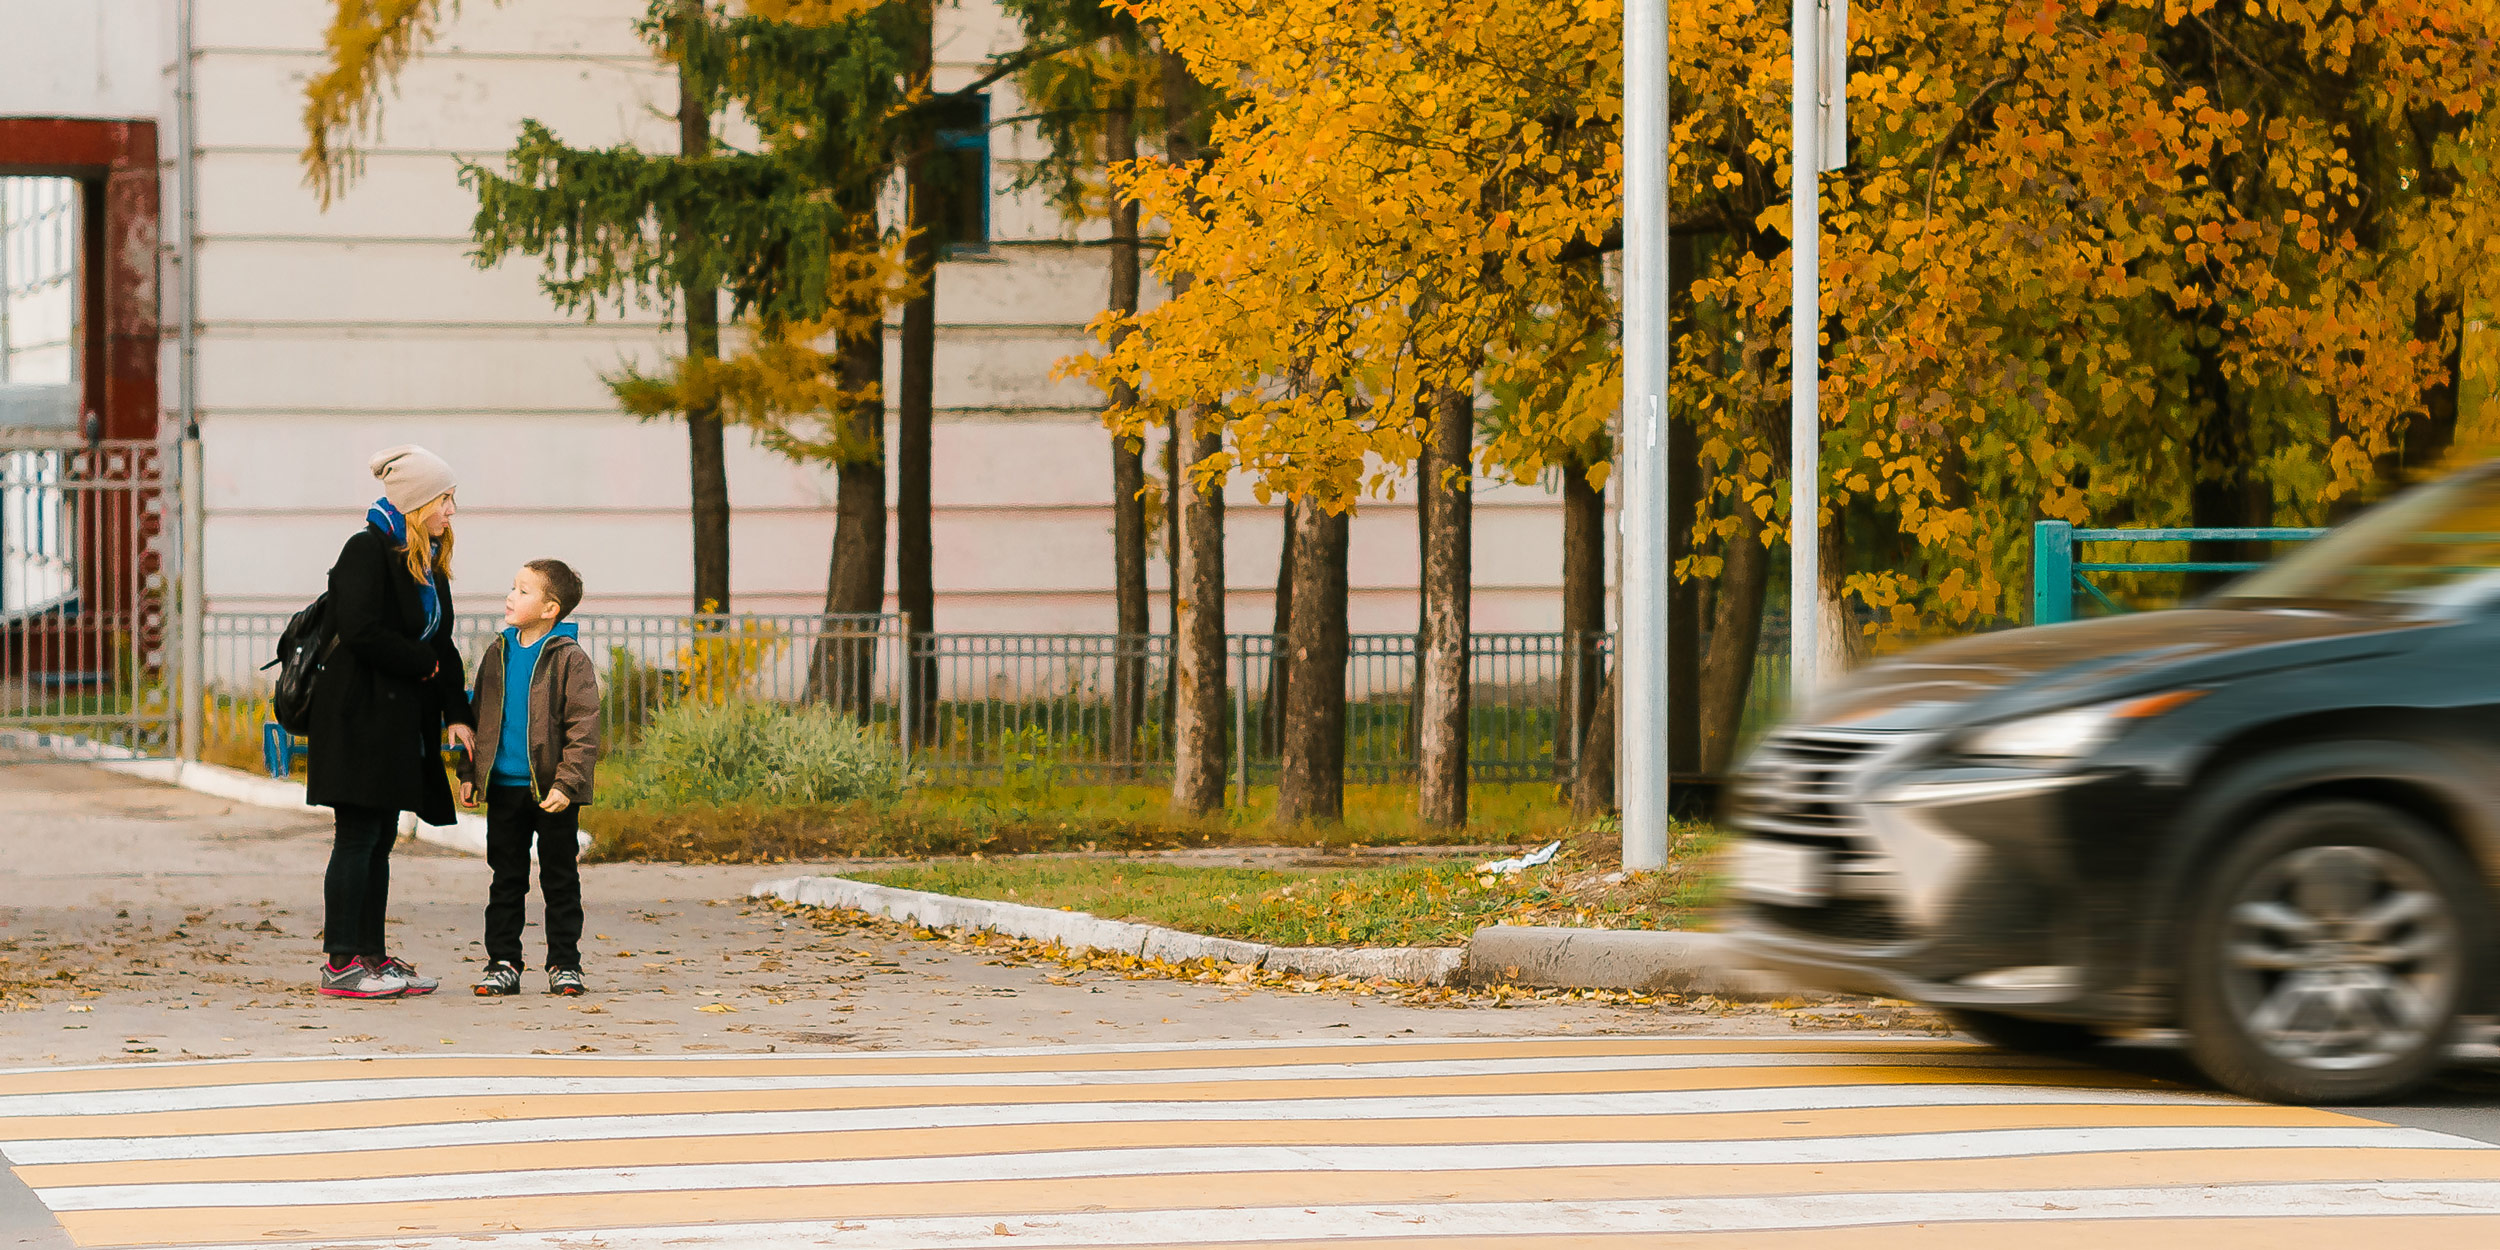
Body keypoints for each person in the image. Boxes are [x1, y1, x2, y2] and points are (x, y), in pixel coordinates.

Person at [307, 446, 475, 999]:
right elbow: (360, 630)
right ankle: (341, 964)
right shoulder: (366, 550)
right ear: (417, 501)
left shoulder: (424, 558)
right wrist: (421, 664)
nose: (452, 509)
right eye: (445, 499)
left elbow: (440, 642)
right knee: (356, 836)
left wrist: (456, 713)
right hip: (356, 717)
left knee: (379, 837)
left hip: (396, 721)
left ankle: (372, 958)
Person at [458, 558, 600, 997]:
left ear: (549, 608)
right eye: (512, 587)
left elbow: (584, 726)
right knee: (506, 880)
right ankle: (503, 962)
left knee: (560, 880)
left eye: (522, 591)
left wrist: (567, 783)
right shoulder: (497, 653)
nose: (510, 596)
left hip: (552, 793)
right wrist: (469, 773)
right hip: (503, 789)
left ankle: (564, 964)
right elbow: (478, 715)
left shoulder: (569, 659)